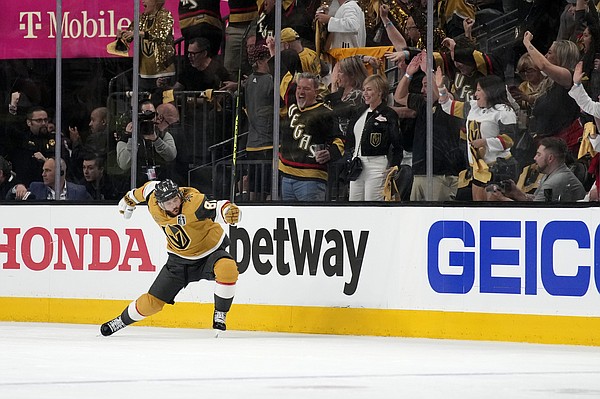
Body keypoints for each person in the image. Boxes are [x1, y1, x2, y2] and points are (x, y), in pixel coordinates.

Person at [100, 179, 241, 336]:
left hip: (210, 252)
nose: (174, 205)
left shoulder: (193, 202)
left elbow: (217, 206)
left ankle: (220, 313)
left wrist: (229, 211)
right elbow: (146, 189)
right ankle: (120, 320)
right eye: (168, 202)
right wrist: (131, 198)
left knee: (227, 269)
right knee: (151, 303)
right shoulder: (153, 201)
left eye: (175, 199)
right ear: (159, 204)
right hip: (178, 261)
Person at [437, 71, 518, 201]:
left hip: (497, 169)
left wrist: (485, 142)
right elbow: (448, 107)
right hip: (478, 169)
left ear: (489, 91)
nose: (475, 94)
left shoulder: (504, 111)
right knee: (478, 208)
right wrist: (441, 87)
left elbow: (509, 140)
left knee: (494, 208)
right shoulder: (473, 107)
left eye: (479, 90)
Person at [279, 73, 344, 201]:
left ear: (316, 91)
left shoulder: (325, 113)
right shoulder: (292, 103)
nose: (301, 92)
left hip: (311, 179)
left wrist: (330, 153)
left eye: (306, 89)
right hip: (286, 176)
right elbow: (282, 70)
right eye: (299, 88)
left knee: (310, 219)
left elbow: (341, 140)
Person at [522, 31, 582, 155]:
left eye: (549, 53)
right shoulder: (550, 83)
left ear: (561, 56)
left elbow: (543, 65)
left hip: (562, 147)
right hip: (546, 144)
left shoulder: (568, 76)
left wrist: (527, 42)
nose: (545, 55)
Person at [346, 74, 402, 201]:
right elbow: (350, 139)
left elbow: (397, 144)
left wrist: (394, 165)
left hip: (377, 165)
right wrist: (348, 157)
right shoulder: (359, 112)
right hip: (357, 164)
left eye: (369, 89)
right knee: (354, 203)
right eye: (364, 89)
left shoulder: (389, 114)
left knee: (372, 203)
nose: (365, 93)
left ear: (380, 92)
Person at [487, 137, 586, 202]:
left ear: (550, 158)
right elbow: (536, 201)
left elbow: (534, 211)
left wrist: (501, 199)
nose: (535, 158)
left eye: (539, 154)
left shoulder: (556, 181)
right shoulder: (550, 174)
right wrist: (516, 193)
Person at [117, 0, 176, 91]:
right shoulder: (141, 18)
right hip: (144, 73)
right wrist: (121, 37)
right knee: (143, 103)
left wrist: (140, 33)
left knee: (162, 101)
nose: (142, 1)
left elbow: (161, 34)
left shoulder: (165, 15)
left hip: (164, 71)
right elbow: (128, 38)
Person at [116, 100, 177, 182]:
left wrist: (156, 140)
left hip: (160, 182)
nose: (149, 119)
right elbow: (124, 164)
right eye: (145, 115)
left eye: (152, 115)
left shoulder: (162, 134)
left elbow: (171, 156)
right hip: (136, 184)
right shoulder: (126, 138)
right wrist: (131, 138)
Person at [243, 45, 274, 200]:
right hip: (268, 143)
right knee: (268, 189)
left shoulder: (248, 81)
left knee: (254, 188)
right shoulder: (270, 80)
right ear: (262, 60)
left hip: (252, 143)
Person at [11, 157, 91, 201]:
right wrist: (17, 188)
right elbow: (9, 198)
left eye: (48, 171)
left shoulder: (79, 192)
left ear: (61, 173)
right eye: (43, 170)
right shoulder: (35, 188)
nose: (43, 174)